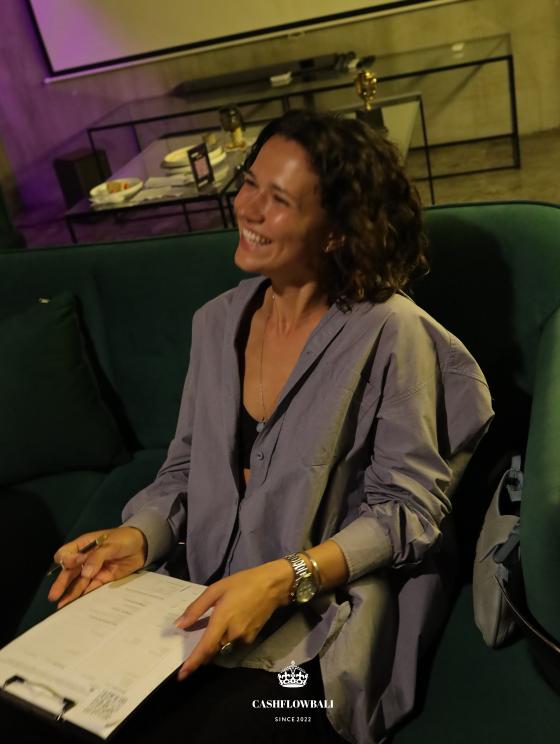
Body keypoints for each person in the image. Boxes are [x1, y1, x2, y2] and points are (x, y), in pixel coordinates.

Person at [23, 110, 493, 743]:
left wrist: (282, 579)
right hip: (197, 596)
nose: (246, 207)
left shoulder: (391, 332)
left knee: (246, 725)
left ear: (336, 232)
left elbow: (409, 512)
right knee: (55, 707)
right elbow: (185, 468)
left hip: (326, 626)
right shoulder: (215, 323)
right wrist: (138, 535)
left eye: (278, 199)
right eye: (249, 182)